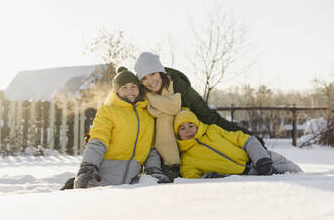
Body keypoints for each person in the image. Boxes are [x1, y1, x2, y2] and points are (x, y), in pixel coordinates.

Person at [133, 52, 263, 179]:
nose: (150, 81)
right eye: (144, 78)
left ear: (160, 72)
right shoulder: (142, 99)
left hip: (195, 149)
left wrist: (252, 138)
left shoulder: (181, 88)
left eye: (153, 74)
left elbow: (210, 118)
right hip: (168, 158)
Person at [71, 67, 171, 189]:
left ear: (139, 89)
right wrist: (88, 165)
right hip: (101, 181)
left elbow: (151, 147)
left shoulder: (147, 113)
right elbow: (98, 140)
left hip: (131, 184)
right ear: (117, 91)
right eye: (124, 88)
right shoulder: (108, 111)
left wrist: (153, 168)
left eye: (133, 86)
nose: (130, 91)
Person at [174, 108, 303, 178]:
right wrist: (211, 177)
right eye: (182, 128)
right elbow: (193, 182)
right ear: (177, 133)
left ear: (197, 125)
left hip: (259, 158)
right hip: (244, 177)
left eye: (191, 125)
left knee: (298, 175)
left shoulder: (212, 130)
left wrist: (262, 160)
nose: (188, 130)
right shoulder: (187, 159)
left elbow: (244, 139)